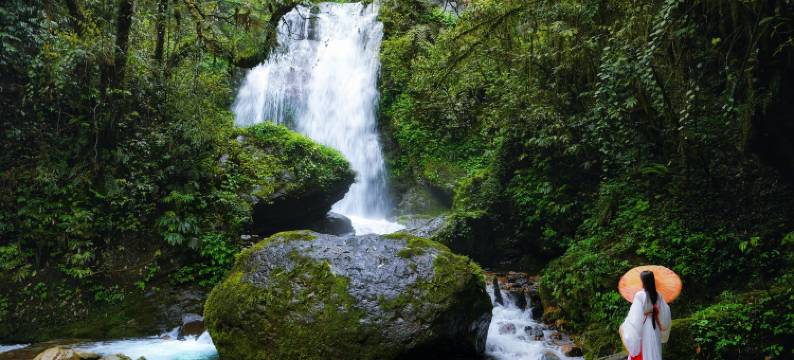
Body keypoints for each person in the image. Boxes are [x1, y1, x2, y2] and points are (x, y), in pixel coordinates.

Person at [619, 271, 672, 360]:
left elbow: (635, 317)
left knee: (645, 350)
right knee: (655, 350)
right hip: (655, 327)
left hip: (645, 327)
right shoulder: (658, 295)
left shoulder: (639, 295)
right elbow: (665, 312)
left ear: (644, 281)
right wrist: (655, 312)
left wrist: (625, 325)